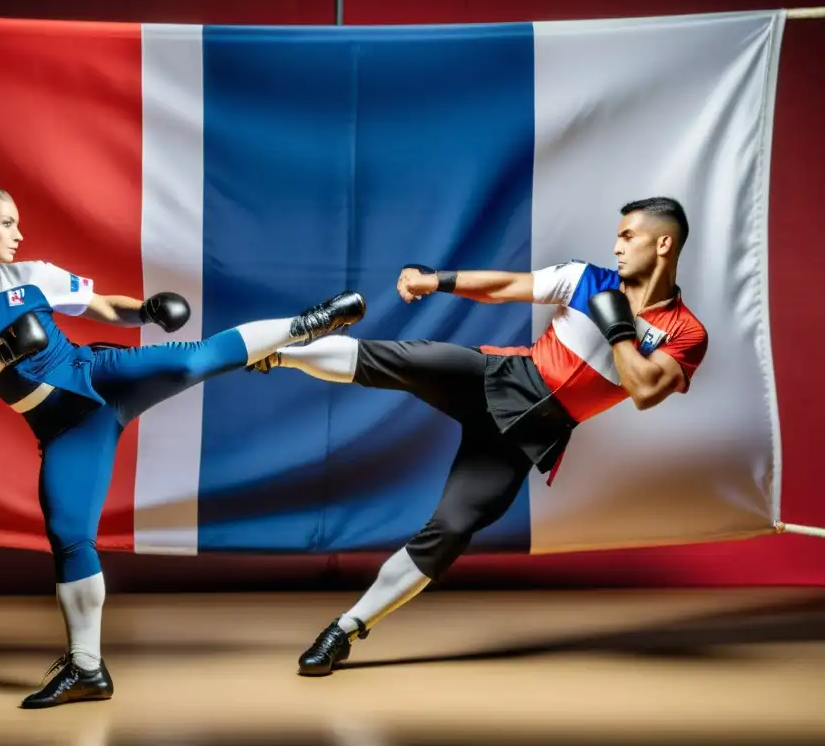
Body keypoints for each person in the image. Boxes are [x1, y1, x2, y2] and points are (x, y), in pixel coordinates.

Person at [0, 183, 365, 706]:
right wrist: (2, 353)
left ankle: (306, 324)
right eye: (8, 223)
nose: (19, 233)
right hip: (64, 428)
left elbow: (101, 305)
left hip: (100, 375)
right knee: (69, 534)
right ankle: (86, 668)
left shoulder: (33, 276)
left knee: (190, 360)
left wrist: (144, 312)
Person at [246, 196, 709, 676]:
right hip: (500, 377)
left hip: (530, 435)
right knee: (405, 358)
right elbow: (508, 286)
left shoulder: (687, 331)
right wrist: (436, 280)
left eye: (627, 236)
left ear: (663, 243)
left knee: (450, 530)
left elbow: (644, 390)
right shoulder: (586, 279)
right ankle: (276, 352)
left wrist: (619, 330)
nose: (616, 246)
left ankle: (342, 631)